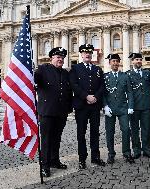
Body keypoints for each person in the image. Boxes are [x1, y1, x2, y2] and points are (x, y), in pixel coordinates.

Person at [34, 47, 73, 177]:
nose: (60, 59)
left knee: (57, 138)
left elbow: (68, 92)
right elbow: (35, 80)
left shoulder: (65, 73)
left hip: (61, 112)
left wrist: (68, 109)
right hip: (47, 111)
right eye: (58, 57)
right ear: (52, 58)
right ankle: (44, 166)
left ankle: (54, 161)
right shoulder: (43, 69)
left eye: (62, 58)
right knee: (45, 140)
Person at [70, 44, 106, 169]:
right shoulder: (75, 68)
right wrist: (86, 96)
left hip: (95, 106)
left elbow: (102, 85)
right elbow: (74, 85)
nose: (87, 54)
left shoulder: (97, 69)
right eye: (85, 53)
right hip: (81, 106)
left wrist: (95, 97)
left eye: (90, 52)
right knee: (81, 133)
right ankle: (82, 158)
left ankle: (95, 157)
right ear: (81, 54)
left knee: (95, 132)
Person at [103, 54, 135, 164]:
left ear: (119, 63)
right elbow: (103, 94)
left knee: (126, 130)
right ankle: (111, 154)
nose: (115, 63)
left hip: (123, 108)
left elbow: (130, 92)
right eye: (113, 61)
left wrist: (130, 106)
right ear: (110, 63)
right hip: (110, 109)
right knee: (110, 132)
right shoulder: (105, 76)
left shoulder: (125, 76)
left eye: (117, 61)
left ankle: (126, 153)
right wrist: (105, 106)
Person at [126, 53, 150, 159]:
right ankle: (136, 150)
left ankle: (147, 150)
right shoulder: (128, 74)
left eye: (139, 59)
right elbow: (128, 91)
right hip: (134, 107)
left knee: (146, 129)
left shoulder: (147, 73)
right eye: (136, 59)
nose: (138, 61)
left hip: (146, 105)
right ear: (132, 61)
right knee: (134, 130)